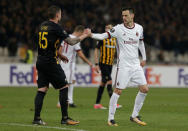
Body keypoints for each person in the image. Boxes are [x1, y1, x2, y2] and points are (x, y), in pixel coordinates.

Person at [89, 7, 149, 126]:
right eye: (122, 16)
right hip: (124, 66)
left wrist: (144, 58)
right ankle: (110, 118)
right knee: (118, 91)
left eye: (126, 15)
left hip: (136, 65)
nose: (124, 18)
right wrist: (90, 34)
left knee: (144, 89)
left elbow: (141, 43)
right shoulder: (118, 29)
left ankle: (134, 115)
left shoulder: (139, 28)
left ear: (132, 16)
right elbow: (102, 36)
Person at [33, 5, 90, 125]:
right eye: (60, 14)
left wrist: (60, 54)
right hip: (50, 62)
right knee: (64, 87)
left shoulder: (42, 25)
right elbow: (71, 41)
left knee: (42, 89)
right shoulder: (56, 27)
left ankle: (37, 118)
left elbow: (48, 43)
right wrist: (85, 35)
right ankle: (65, 118)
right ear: (58, 15)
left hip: (40, 60)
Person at [57, 25, 93, 108]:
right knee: (67, 83)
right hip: (69, 63)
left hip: (63, 62)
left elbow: (60, 50)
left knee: (71, 81)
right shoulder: (75, 40)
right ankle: (61, 102)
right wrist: (89, 62)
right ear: (80, 32)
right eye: (82, 33)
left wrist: (60, 58)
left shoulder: (66, 37)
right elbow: (80, 54)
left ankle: (70, 100)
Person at [94, 24, 122, 109]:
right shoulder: (102, 39)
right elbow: (96, 50)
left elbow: (118, 51)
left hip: (110, 64)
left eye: (110, 28)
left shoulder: (114, 39)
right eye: (107, 28)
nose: (109, 29)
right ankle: (113, 104)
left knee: (103, 82)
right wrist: (96, 64)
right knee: (110, 81)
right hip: (103, 63)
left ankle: (97, 104)